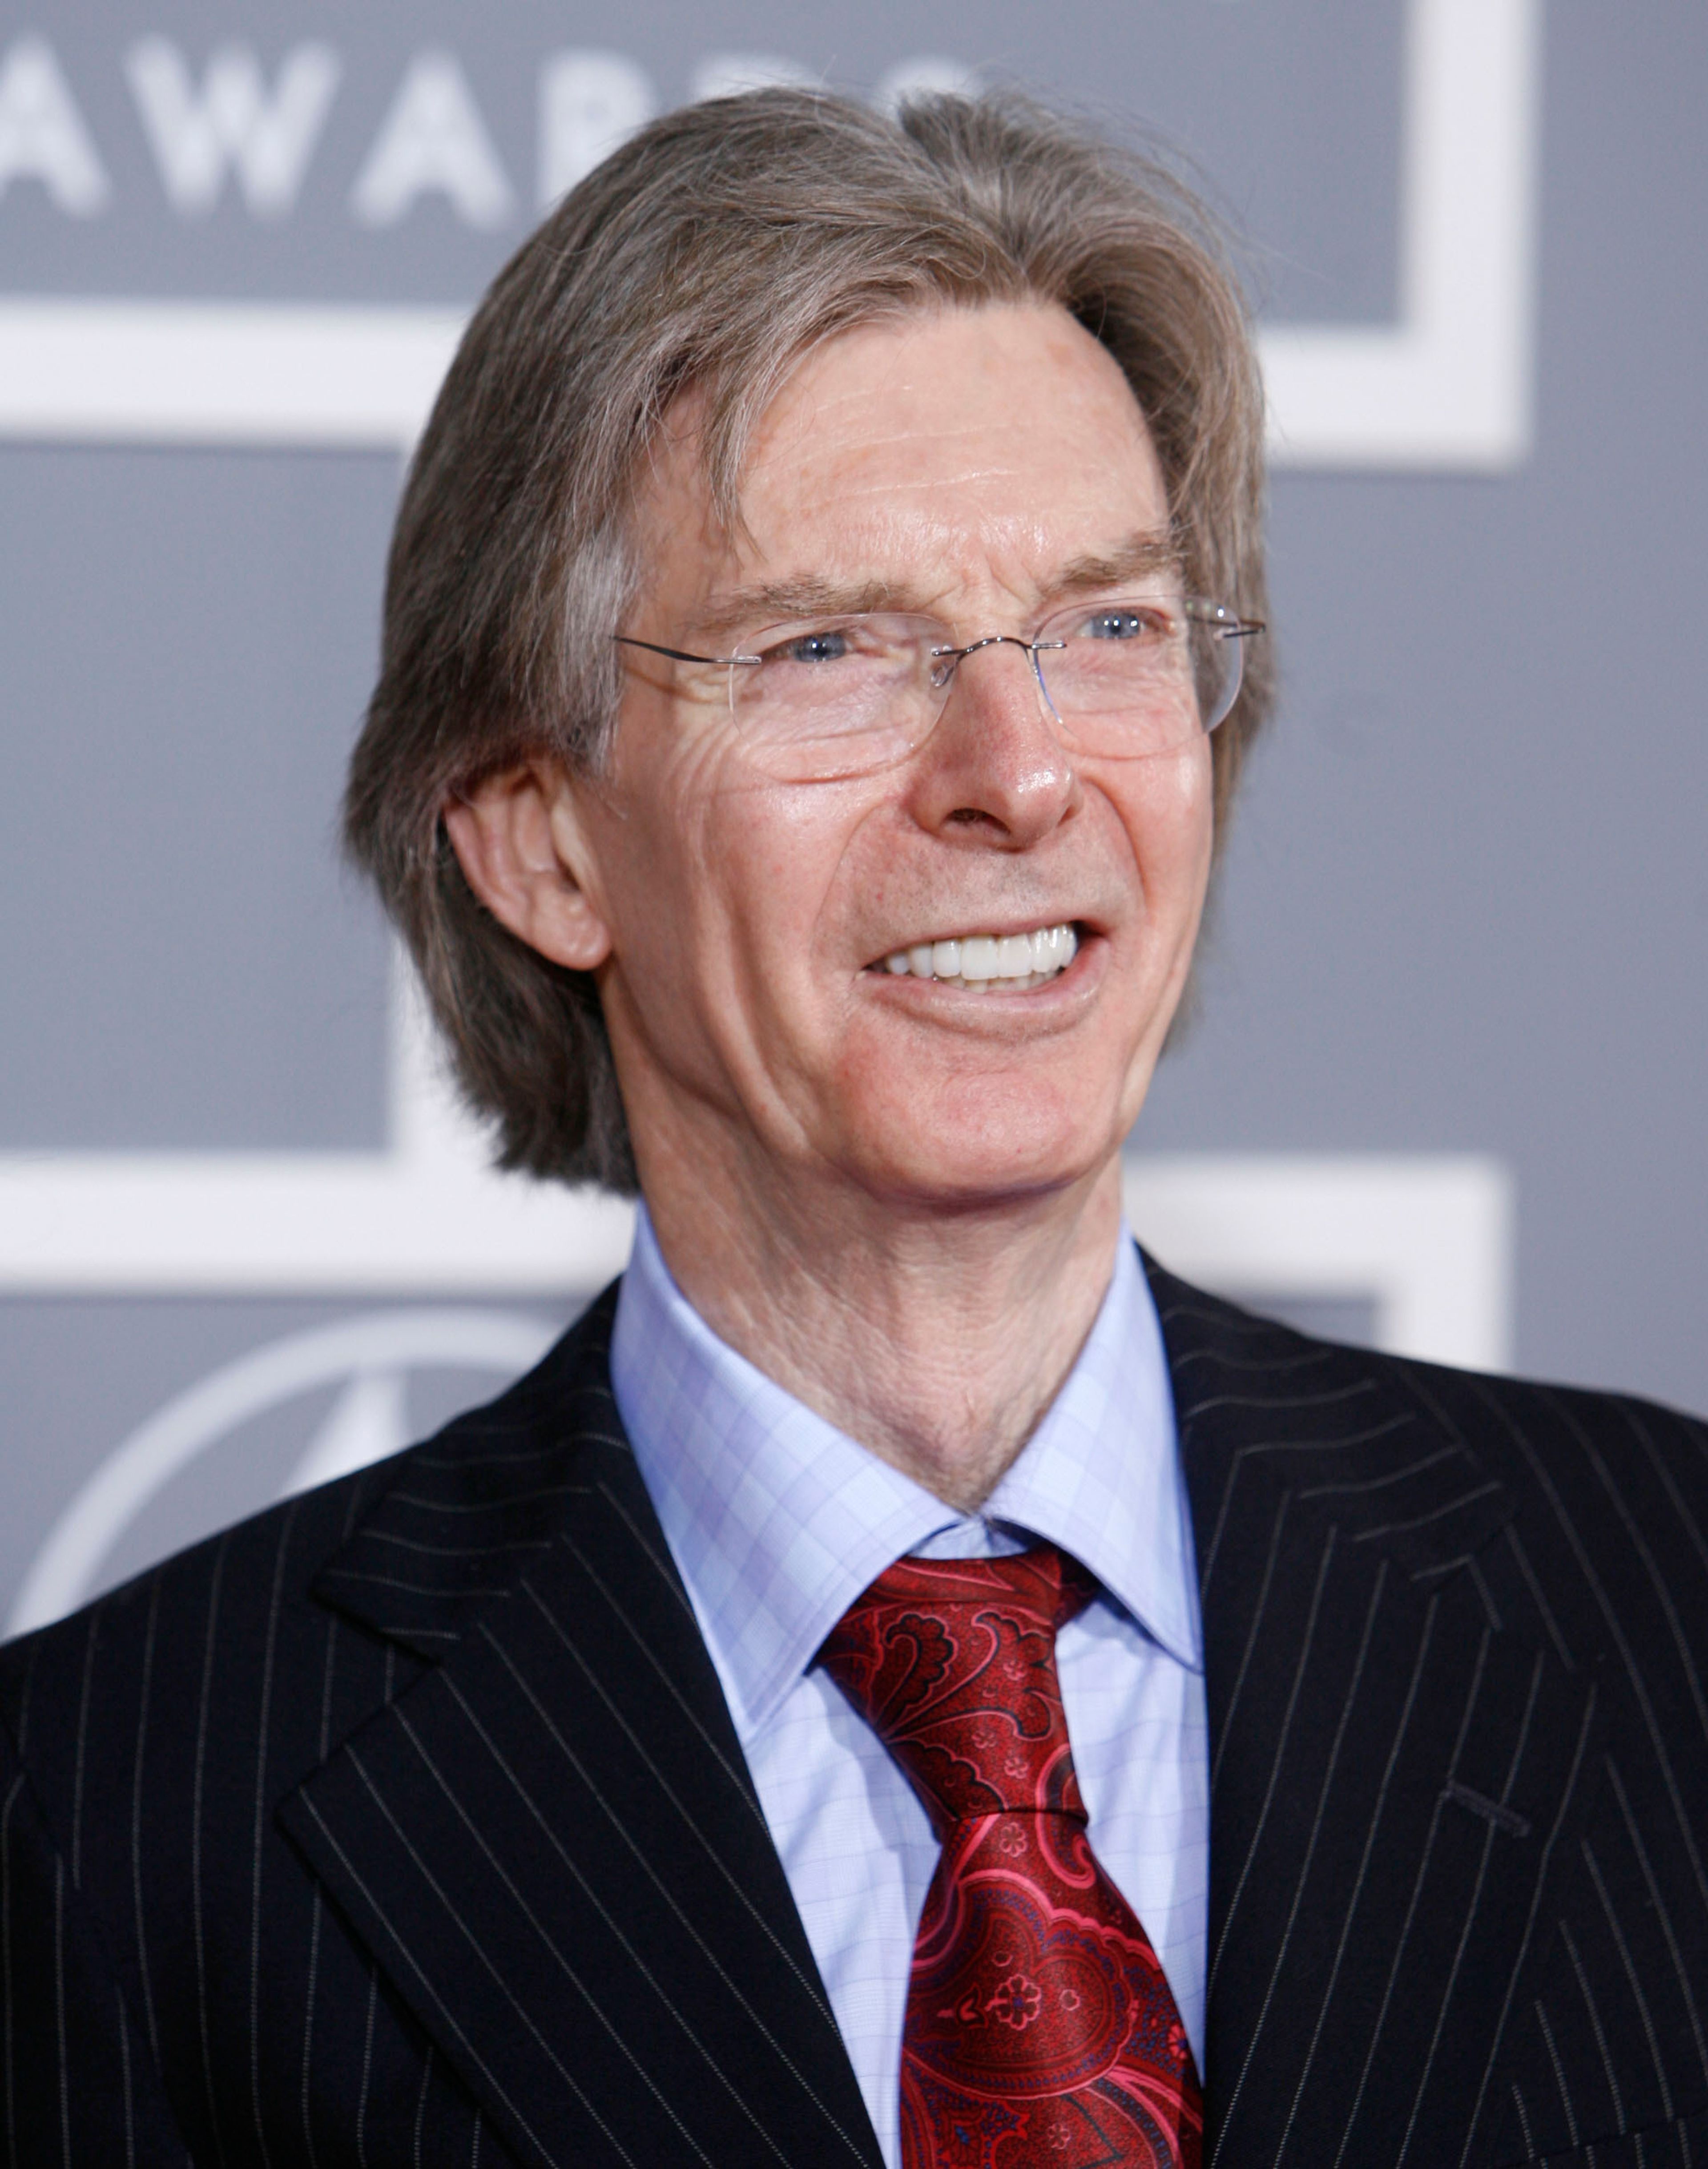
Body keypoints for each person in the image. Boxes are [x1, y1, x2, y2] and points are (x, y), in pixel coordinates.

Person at [3, 86, 1705, 2169]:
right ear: (542, 842)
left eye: (1109, 627)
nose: (1018, 770)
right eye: (829, 648)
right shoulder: (106, 1819)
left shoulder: (1667, 1608)